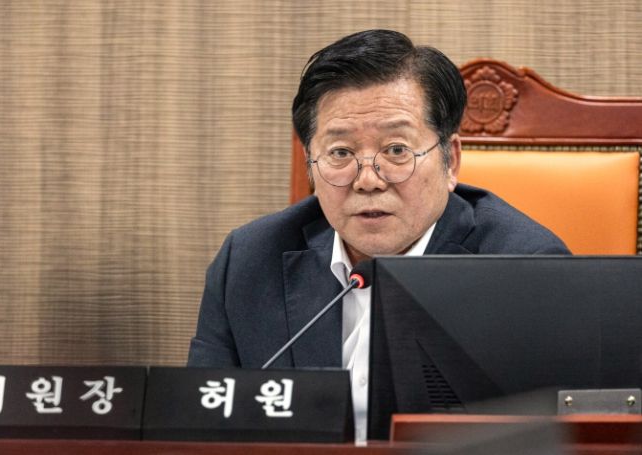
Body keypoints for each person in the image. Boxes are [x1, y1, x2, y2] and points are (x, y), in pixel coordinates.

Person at [188, 29, 570, 441]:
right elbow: (202, 430)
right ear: (311, 163)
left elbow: (553, 440)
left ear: (450, 161)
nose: (368, 180)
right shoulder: (248, 261)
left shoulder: (527, 271)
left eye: (396, 150)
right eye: (340, 153)